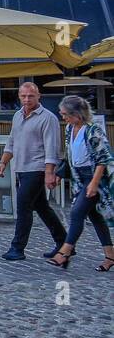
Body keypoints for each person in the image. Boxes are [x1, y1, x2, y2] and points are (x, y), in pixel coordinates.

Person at [0, 82, 65, 261]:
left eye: (31, 96)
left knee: (23, 207)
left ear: (38, 96)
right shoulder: (17, 116)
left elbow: (52, 148)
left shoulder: (48, 118)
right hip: (21, 168)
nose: (27, 99)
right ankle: (64, 243)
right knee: (42, 207)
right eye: (23, 96)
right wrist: (3, 162)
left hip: (37, 168)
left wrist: (49, 173)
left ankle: (17, 248)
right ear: (19, 96)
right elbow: (12, 141)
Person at [48, 95, 114, 271]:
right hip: (80, 178)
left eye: (65, 114)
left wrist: (94, 183)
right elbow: (71, 157)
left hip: (95, 178)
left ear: (77, 114)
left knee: (77, 213)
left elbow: (103, 159)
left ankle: (64, 252)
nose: (63, 117)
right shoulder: (70, 129)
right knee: (96, 217)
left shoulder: (94, 130)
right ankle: (110, 257)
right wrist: (59, 175)